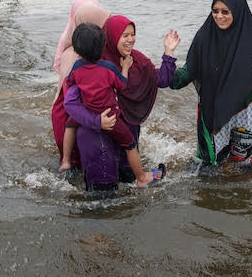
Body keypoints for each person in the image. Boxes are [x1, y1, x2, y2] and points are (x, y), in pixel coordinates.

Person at [170, 0, 252, 166]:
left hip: (246, 111)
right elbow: (187, 72)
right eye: (215, 11)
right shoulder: (204, 38)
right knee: (208, 166)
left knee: (244, 168)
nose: (219, 16)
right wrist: (166, 68)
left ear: (238, 11)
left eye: (225, 11)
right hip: (213, 110)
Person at [65, 14, 179, 190]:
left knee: (128, 183)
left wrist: (169, 52)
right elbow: (71, 103)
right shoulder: (92, 64)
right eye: (124, 35)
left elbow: (162, 80)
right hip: (97, 137)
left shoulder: (136, 61)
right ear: (109, 37)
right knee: (103, 193)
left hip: (126, 133)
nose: (130, 40)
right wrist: (97, 121)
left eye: (133, 34)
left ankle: (138, 177)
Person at [51, 0, 111, 168]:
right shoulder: (83, 57)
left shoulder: (72, 51)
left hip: (65, 117)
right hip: (75, 116)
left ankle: (66, 161)